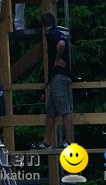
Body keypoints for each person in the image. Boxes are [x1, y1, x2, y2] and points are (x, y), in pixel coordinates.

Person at [33, 12, 74, 149]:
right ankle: (46, 142)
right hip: (59, 77)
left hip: (59, 77)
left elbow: (61, 44)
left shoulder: (51, 33)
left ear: (43, 25)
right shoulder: (60, 31)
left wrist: (57, 59)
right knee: (51, 111)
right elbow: (63, 41)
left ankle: (69, 141)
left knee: (64, 110)